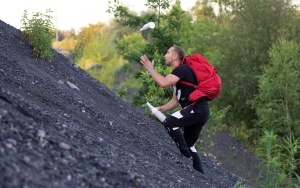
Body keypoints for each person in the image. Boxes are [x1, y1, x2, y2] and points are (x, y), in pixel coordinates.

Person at [140, 45, 210, 173]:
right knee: (190, 144)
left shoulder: (182, 69)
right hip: (200, 111)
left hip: (198, 109)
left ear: (174, 56)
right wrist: (160, 109)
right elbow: (175, 101)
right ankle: (200, 176)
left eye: (167, 53)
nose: (164, 55)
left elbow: (163, 83)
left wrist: (150, 68)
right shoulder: (178, 77)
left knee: (170, 122)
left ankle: (186, 157)